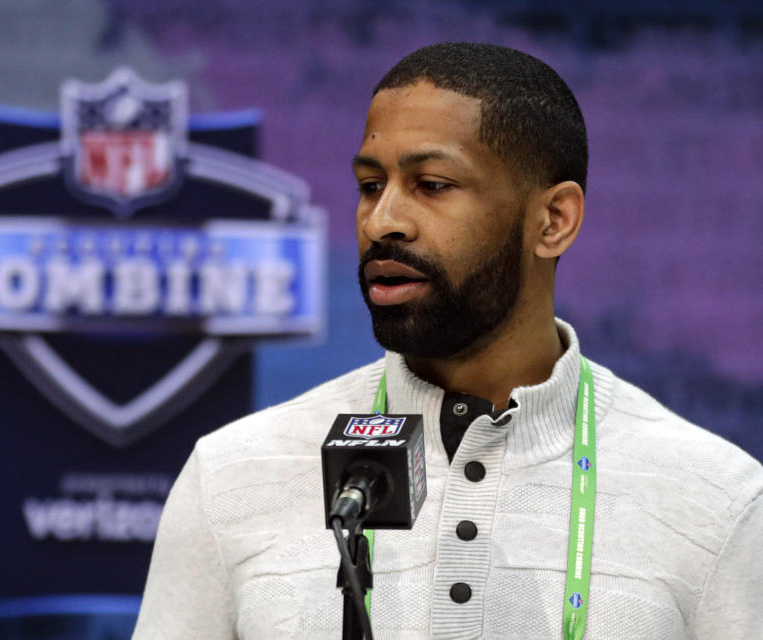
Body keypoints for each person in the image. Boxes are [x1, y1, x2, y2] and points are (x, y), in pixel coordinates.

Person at [133, 42, 763, 639]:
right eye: (370, 185)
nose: (382, 222)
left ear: (553, 221)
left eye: (432, 185)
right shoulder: (232, 476)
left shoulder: (717, 498)